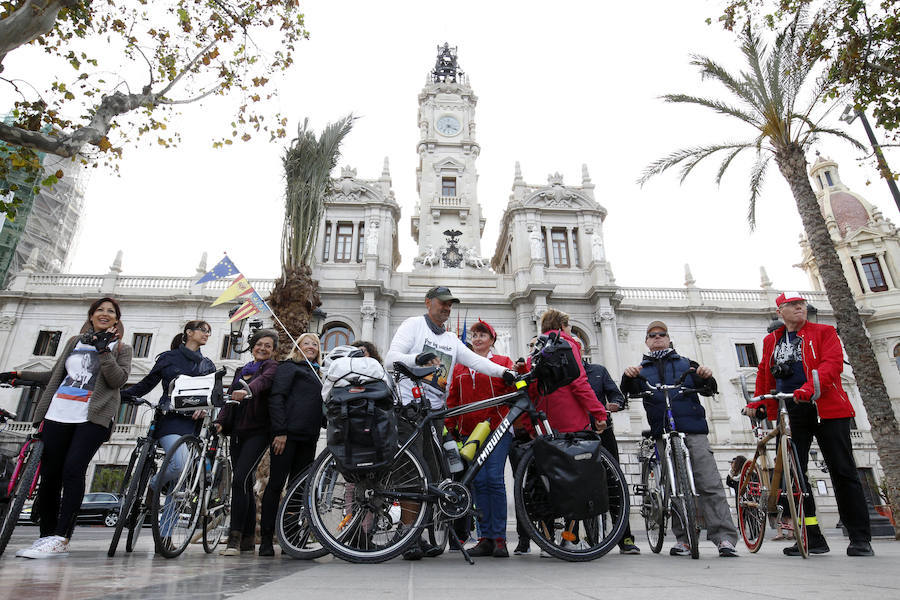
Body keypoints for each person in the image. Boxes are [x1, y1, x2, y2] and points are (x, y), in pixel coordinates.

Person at [384, 286, 515, 560]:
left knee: (432, 477)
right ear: (428, 302)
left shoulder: (453, 340)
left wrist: (506, 373)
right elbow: (391, 359)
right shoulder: (413, 325)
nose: (446, 308)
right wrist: (416, 358)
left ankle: (421, 533)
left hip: (435, 414)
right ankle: (409, 536)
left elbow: (480, 363)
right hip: (409, 409)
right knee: (411, 476)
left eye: (450, 304)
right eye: (442, 303)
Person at [743, 292, 873, 557]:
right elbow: (765, 373)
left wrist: (808, 387)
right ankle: (812, 537)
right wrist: (758, 402)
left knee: (843, 471)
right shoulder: (772, 340)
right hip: (792, 409)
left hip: (827, 409)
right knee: (795, 477)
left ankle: (860, 537)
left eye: (801, 304)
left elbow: (832, 364)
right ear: (780, 312)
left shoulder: (824, 332)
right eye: (792, 305)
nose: (799, 308)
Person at [1, 298, 132, 558]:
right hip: (57, 413)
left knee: (73, 470)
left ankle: (62, 537)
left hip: (92, 417)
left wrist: (104, 351)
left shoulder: (121, 348)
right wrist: (17, 376)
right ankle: (47, 537)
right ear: (92, 315)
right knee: (50, 476)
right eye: (100, 310)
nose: (104, 314)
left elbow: (119, 380)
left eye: (111, 311)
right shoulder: (74, 342)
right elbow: (56, 376)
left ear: (116, 319)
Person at [621, 320, 739, 558]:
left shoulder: (687, 364)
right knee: (672, 486)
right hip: (662, 433)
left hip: (693, 430)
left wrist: (706, 377)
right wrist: (627, 377)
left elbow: (709, 388)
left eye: (661, 334)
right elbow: (628, 390)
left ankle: (724, 538)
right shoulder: (641, 370)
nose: (656, 338)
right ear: (646, 341)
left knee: (710, 483)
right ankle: (683, 539)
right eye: (651, 335)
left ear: (668, 338)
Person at [121, 320, 216, 550]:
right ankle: (154, 485)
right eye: (202, 330)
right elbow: (146, 383)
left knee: (180, 483)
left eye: (209, 332)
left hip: (193, 426)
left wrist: (206, 408)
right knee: (179, 465)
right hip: (169, 421)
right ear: (189, 333)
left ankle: (165, 536)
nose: (206, 334)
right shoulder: (168, 358)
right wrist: (119, 395)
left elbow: (213, 394)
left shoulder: (207, 365)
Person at [526, 309, 608, 554]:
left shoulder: (536, 349)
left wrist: (531, 424)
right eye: (569, 326)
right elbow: (579, 383)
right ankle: (569, 538)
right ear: (563, 325)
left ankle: (546, 537)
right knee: (576, 481)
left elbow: (530, 389)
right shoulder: (568, 344)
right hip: (573, 422)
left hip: (545, 422)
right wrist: (599, 413)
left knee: (545, 479)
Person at [445, 319, 516, 558]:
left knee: (494, 480)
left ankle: (499, 539)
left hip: (497, 428)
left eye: (482, 335)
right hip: (468, 433)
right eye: (474, 335)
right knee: (478, 484)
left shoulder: (503, 363)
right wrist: (450, 427)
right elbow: (452, 399)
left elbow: (512, 392)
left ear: (492, 339)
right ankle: (485, 538)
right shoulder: (460, 368)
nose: (477, 339)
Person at [215, 328, 279, 556]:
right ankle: (248, 539)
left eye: (268, 346)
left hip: (259, 431)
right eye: (259, 344)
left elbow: (263, 383)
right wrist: (221, 421)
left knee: (239, 479)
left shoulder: (271, 368)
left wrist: (248, 390)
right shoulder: (242, 370)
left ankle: (234, 538)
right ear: (253, 346)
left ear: (273, 351)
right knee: (245, 482)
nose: (262, 348)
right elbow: (230, 396)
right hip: (237, 431)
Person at [258, 332, 323, 556]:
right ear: (297, 347)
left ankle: (290, 538)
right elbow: (277, 398)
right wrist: (280, 431)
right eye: (307, 343)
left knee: (297, 490)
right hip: (287, 436)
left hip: (309, 438)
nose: (312, 346)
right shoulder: (288, 367)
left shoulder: (320, 374)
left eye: (315, 344)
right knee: (276, 484)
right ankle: (266, 539)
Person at [582, 358, 640, 555]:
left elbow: (617, 395)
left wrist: (615, 403)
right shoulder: (563, 371)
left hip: (603, 431)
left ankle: (625, 537)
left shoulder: (598, 371)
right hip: (576, 432)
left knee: (615, 482)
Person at [509, 336, 537, 555]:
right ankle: (523, 538)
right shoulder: (520, 372)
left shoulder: (545, 372)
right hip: (520, 438)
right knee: (521, 487)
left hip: (541, 435)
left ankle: (547, 535)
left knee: (544, 487)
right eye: (531, 344)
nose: (534, 348)